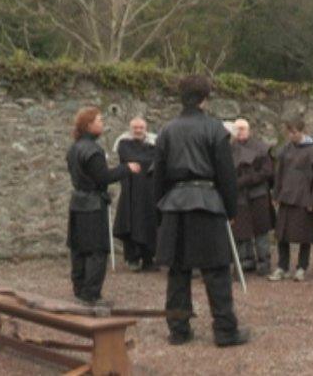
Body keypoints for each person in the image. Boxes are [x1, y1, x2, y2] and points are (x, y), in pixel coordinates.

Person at [153, 75, 249, 347]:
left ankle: (178, 330)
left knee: (178, 271)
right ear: (206, 97)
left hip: (175, 203)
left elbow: (157, 175)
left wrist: (160, 207)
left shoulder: (167, 130)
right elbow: (226, 174)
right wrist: (231, 209)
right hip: (206, 203)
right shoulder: (214, 129)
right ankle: (225, 331)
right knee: (217, 271)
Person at [66, 107, 140, 305]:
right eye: (99, 120)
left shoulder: (74, 148)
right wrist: (126, 168)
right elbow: (104, 177)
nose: (102, 123)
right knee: (97, 251)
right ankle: (91, 294)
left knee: (79, 248)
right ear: (88, 125)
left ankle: (79, 290)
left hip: (78, 203)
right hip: (92, 204)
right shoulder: (93, 150)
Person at [269, 117, 313, 282]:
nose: (291, 135)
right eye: (289, 132)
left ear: (302, 131)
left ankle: (302, 267)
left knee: (304, 235)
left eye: (294, 132)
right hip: (286, 196)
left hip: (304, 198)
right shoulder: (285, 150)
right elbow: (279, 173)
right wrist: (276, 194)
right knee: (282, 234)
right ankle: (282, 266)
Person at [112, 117, 159, 272]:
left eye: (141, 127)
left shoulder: (153, 143)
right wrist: (143, 162)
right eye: (135, 128)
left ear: (145, 128)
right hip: (131, 191)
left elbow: (154, 161)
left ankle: (148, 259)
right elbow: (131, 159)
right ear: (131, 129)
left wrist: (142, 162)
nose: (138, 130)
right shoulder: (124, 143)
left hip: (149, 191)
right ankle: (132, 258)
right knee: (131, 222)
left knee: (149, 223)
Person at [230, 118, 276, 276]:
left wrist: (249, 179)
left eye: (243, 128)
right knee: (242, 230)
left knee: (261, 230)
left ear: (249, 130)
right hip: (239, 196)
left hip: (258, 194)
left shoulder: (261, 148)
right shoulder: (230, 149)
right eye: (237, 129)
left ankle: (264, 261)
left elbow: (268, 171)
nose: (240, 132)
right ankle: (246, 260)